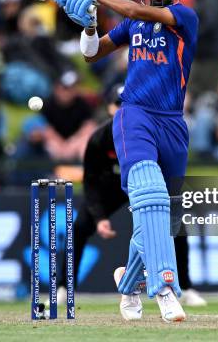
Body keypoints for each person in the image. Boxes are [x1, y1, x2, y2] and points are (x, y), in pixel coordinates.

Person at [54, 0, 198, 322]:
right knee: (148, 195)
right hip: (133, 114)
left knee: (163, 215)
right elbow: (92, 55)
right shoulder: (132, 25)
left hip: (172, 123)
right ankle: (165, 287)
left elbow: (137, 13)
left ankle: (128, 281)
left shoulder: (184, 18)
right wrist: (88, 25)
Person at [55, 86, 207, 308]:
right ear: (110, 108)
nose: (123, 110)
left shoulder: (152, 132)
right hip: (113, 188)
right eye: (119, 105)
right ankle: (65, 287)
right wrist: (99, 217)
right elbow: (91, 181)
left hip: (147, 184)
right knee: (79, 227)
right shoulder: (100, 138)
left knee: (176, 225)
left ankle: (185, 287)